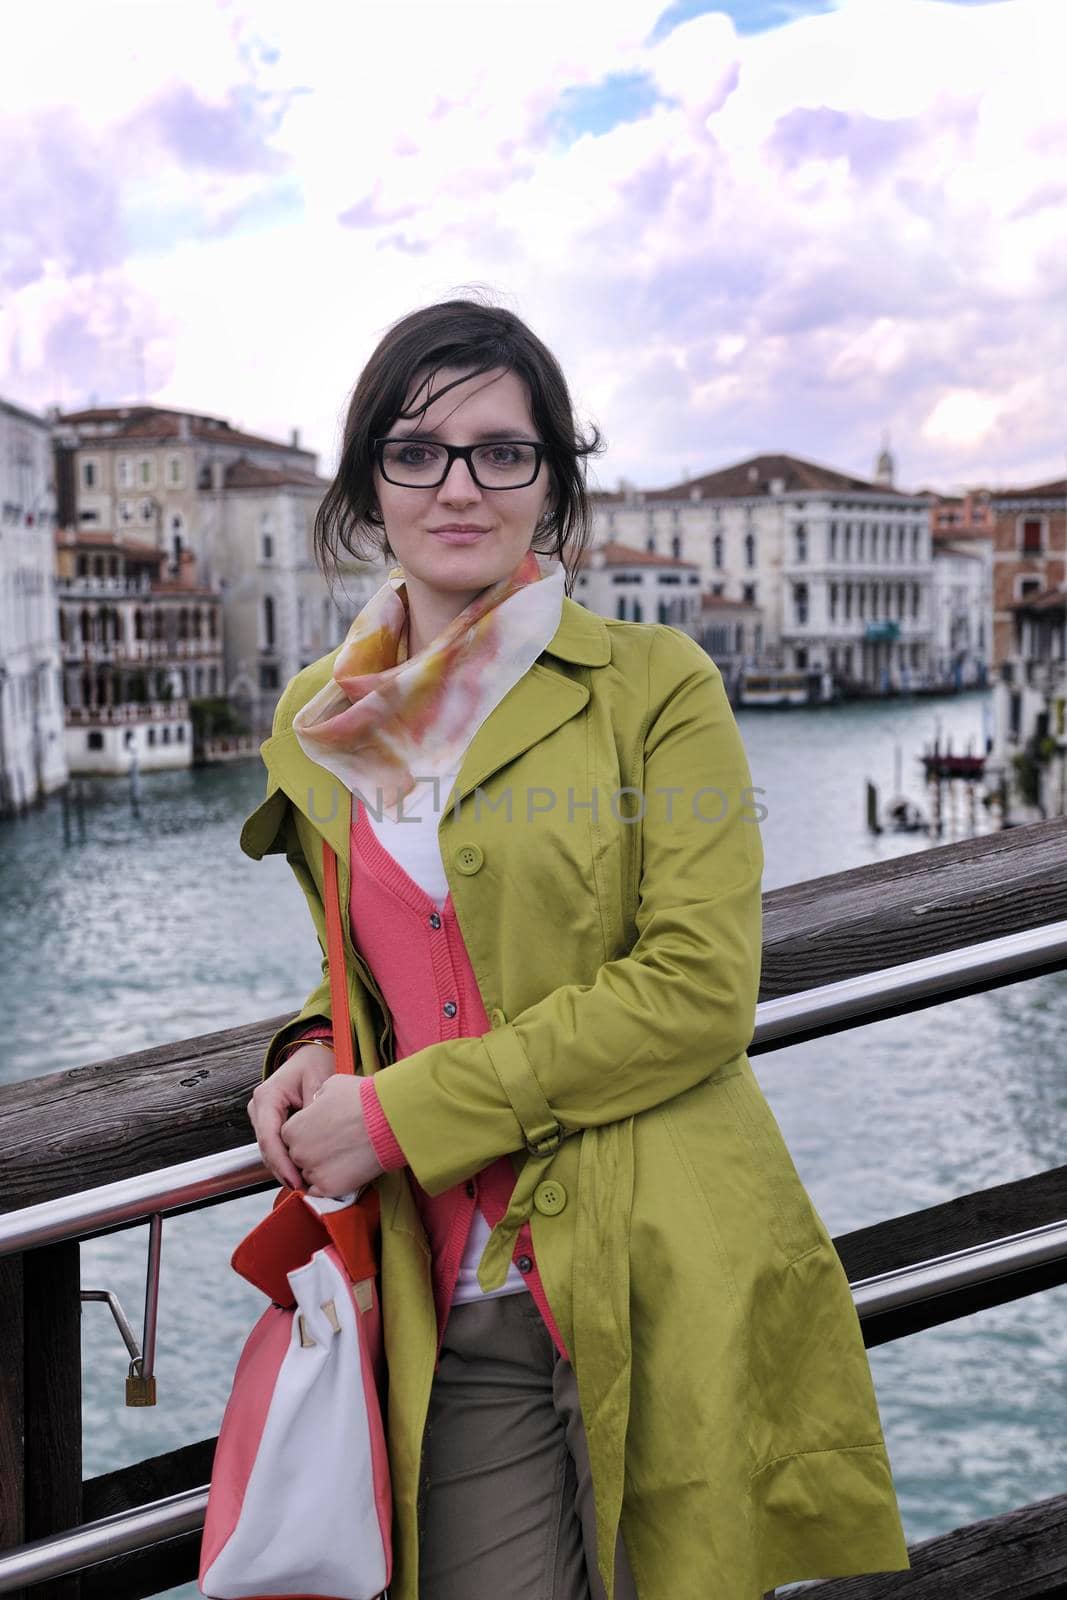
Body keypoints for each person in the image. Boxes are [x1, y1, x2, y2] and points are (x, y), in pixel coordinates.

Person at [241, 297, 910, 1600]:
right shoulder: (317, 723)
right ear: (368, 481)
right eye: (418, 449)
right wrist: (315, 1040)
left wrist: (399, 1115)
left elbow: (701, 988)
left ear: (552, 481)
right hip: (462, 1300)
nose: (460, 485)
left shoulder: (659, 685)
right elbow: (364, 956)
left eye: (503, 451)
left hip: (668, 1264)